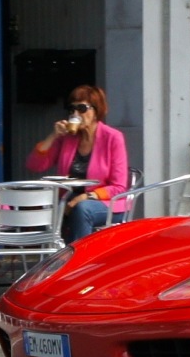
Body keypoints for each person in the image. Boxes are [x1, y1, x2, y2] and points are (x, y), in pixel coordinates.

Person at [25, 85, 130, 243]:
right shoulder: (68, 138)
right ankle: (50, 259)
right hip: (69, 200)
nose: (75, 114)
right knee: (34, 206)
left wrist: (86, 197)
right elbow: (34, 165)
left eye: (82, 108)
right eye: (72, 109)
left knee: (82, 209)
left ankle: (79, 262)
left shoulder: (113, 138)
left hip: (106, 204)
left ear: (96, 111)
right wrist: (53, 136)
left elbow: (119, 186)